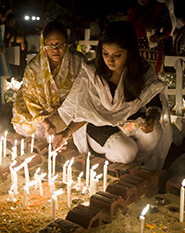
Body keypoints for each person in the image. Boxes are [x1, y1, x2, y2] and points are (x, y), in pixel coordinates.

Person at [53, 21, 172, 170]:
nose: (110, 60)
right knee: (127, 151)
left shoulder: (141, 70)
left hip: (129, 123)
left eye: (117, 55)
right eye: (105, 53)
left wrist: (151, 118)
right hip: (99, 128)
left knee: (155, 132)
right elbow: (83, 112)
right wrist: (66, 132)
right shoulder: (92, 73)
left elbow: (153, 100)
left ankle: (132, 168)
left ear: (130, 52)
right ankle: (115, 166)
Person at [11, 21, 86, 142]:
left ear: (66, 43)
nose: (55, 50)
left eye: (59, 45)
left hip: (68, 111)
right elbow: (30, 99)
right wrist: (46, 125)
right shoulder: (34, 67)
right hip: (39, 112)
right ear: (43, 44)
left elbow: (85, 93)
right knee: (30, 125)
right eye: (49, 45)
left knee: (74, 124)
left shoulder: (78, 62)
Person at [127, 0, 172, 75]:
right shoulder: (133, 10)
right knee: (135, 75)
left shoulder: (159, 8)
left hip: (153, 49)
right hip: (135, 48)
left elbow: (168, 28)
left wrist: (160, 36)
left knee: (151, 76)